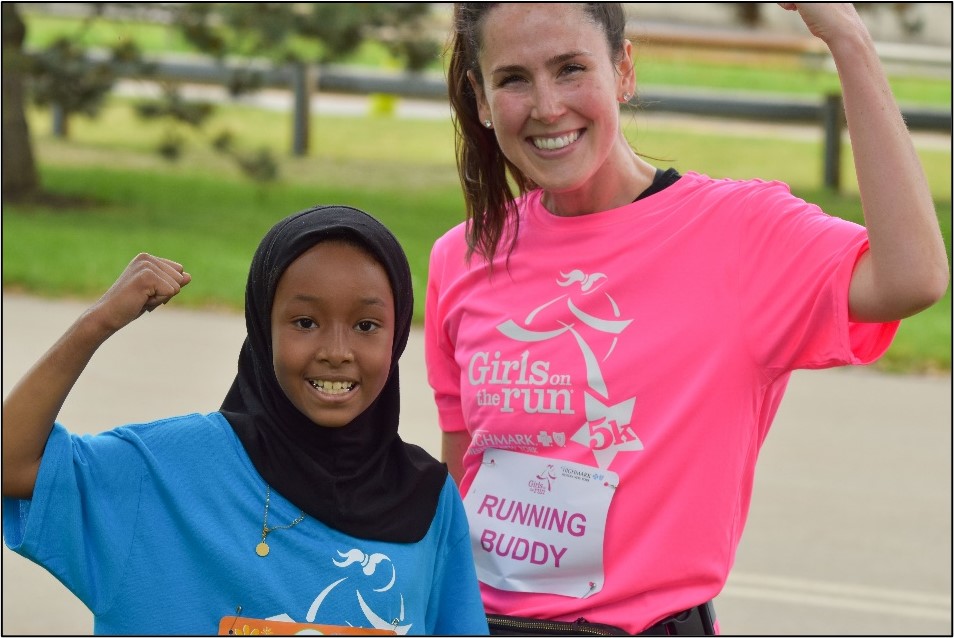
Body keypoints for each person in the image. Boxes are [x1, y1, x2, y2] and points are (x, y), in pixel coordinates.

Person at [425, 3, 949, 635]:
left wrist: (846, 35)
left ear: (623, 71)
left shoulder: (739, 234)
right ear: (480, 99)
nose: (546, 105)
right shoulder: (462, 255)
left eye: (571, 69)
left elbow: (913, 277)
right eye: (513, 79)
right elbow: (463, 478)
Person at [3, 205, 489, 636]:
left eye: (366, 326)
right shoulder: (162, 474)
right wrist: (97, 322)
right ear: (262, 328)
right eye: (305, 323)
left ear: (398, 332)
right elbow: (11, 462)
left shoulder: (428, 500)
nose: (337, 352)